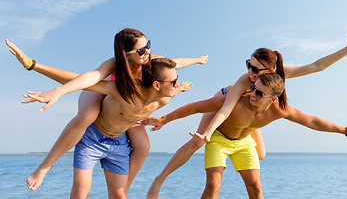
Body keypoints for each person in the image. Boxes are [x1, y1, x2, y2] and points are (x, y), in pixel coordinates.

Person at [146, 25, 347, 198]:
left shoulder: (278, 84)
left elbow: (317, 67)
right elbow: (222, 110)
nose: (250, 71)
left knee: (261, 154)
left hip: (257, 108)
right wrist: (200, 130)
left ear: (271, 71)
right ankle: (159, 180)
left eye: (256, 69)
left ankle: (242, 129)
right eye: (249, 64)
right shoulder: (244, 84)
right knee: (199, 141)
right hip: (226, 102)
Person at [5, 28, 207, 192]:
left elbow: (176, 64)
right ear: (125, 55)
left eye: (148, 46)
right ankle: (45, 166)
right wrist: (50, 83)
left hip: (131, 103)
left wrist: (196, 60)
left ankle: (123, 190)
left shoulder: (152, 63)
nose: (147, 53)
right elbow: (87, 79)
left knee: (143, 145)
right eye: (141, 51)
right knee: (88, 115)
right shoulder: (114, 66)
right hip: (102, 90)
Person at [142, 73, 347, 199]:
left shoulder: (280, 110)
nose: (253, 93)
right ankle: (158, 181)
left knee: (256, 188)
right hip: (220, 140)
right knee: (213, 186)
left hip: (244, 143)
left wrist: (346, 131)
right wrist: (164, 120)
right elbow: (195, 107)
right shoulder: (235, 100)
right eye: (253, 87)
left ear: (273, 99)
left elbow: (312, 121)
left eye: (259, 93)